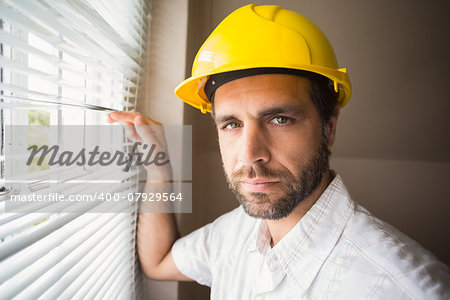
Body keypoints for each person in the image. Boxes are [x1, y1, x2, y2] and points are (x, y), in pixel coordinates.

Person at [108, 4, 450, 299]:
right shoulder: (234, 233)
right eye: (231, 124)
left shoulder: (404, 287)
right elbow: (158, 262)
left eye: (280, 119)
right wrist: (158, 168)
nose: (249, 154)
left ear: (329, 127)